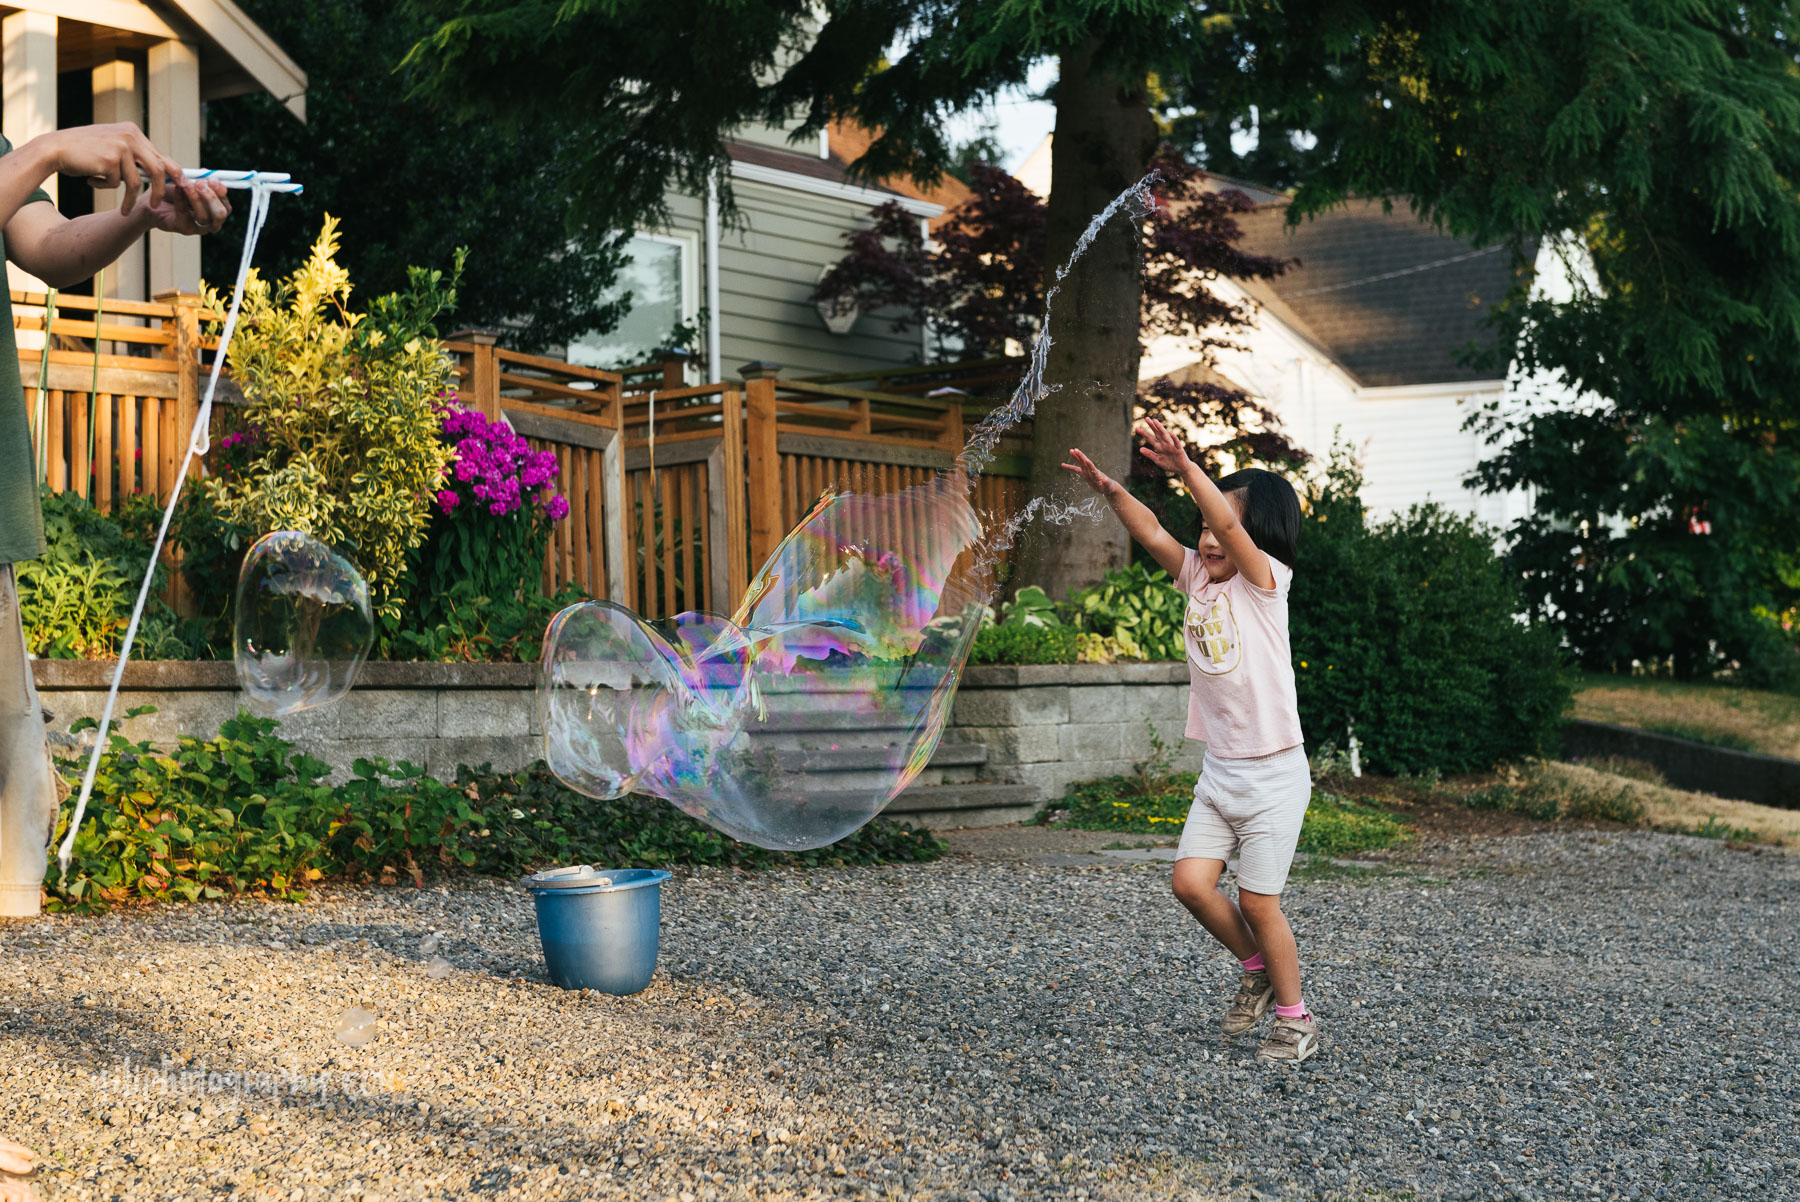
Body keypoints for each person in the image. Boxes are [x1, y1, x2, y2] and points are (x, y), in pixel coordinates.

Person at [1063, 418, 1316, 1063]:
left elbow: (1230, 528)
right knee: (1190, 885)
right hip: (1222, 771)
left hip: (1274, 774)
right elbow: (1150, 529)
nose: (1207, 536)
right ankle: (1255, 969)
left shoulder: (1265, 586)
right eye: (1201, 525)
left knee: (1260, 901)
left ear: (1261, 538)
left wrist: (1186, 468)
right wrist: (1110, 490)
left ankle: (1294, 1018)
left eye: (1219, 525)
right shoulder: (1197, 580)